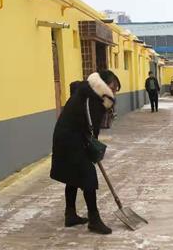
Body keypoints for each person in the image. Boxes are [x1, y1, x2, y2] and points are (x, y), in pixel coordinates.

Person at [50, 70, 121, 235]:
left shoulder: (87, 92)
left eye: (117, 89)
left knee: (72, 175)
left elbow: (88, 125)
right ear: (103, 83)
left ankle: (70, 214)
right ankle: (94, 220)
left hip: (67, 138)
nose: (114, 91)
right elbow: (90, 126)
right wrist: (92, 147)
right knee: (88, 176)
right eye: (113, 87)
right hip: (72, 140)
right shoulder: (93, 98)